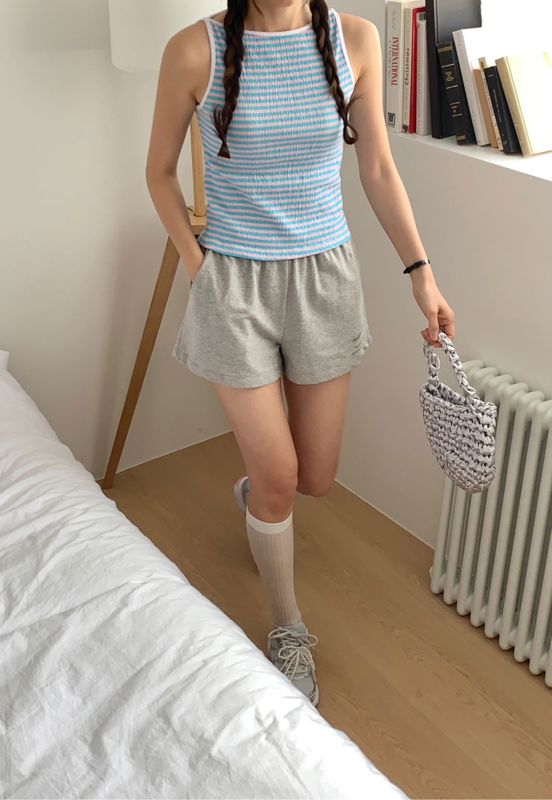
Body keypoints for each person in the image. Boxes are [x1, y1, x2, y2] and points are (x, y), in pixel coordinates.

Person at [145, 0, 456, 708]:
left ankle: (256, 494)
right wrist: (199, 267)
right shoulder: (195, 51)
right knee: (282, 476)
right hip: (234, 286)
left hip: (324, 280)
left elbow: (378, 169)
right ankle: (288, 626)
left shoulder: (356, 41)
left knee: (314, 477)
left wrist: (422, 274)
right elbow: (159, 173)